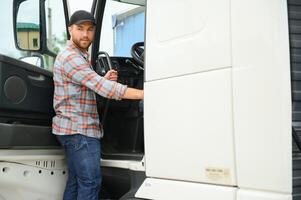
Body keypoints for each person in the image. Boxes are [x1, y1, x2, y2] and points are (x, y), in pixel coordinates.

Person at [52, 10, 143, 200]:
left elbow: (85, 84)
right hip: (80, 130)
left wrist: (102, 79)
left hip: (71, 129)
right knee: (90, 182)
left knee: (77, 182)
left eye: (90, 29)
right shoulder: (71, 57)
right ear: (70, 29)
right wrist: (146, 93)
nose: (85, 34)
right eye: (80, 29)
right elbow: (106, 89)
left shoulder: (78, 56)